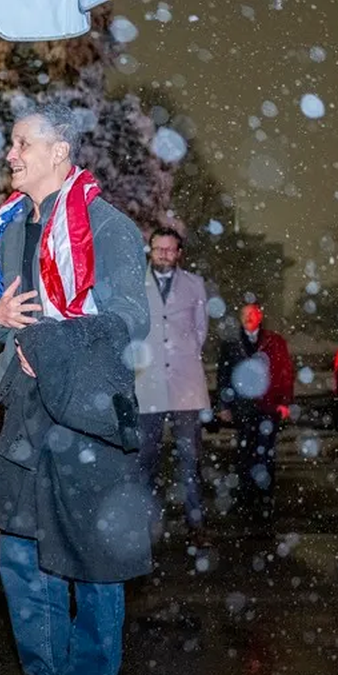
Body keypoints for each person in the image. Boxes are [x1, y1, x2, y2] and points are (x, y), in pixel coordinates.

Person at [0, 101, 153, 675]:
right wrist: (0, 319)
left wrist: (54, 345)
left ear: (59, 152)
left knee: (92, 554)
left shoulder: (108, 227)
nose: (10, 154)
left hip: (87, 414)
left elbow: (131, 321)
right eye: (12, 143)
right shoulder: (13, 226)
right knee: (22, 551)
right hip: (26, 407)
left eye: (22, 144)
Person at [133, 227, 211, 545]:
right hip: (147, 385)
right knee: (145, 460)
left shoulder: (194, 285)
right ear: (150, 250)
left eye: (170, 249)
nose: (164, 254)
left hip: (186, 385)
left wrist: (181, 355)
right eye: (159, 249)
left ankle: (196, 524)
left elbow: (200, 331)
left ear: (179, 253)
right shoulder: (135, 285)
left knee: (190, 460)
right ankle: (145, 525)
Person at [215, 303, 294, 524]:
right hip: (243, 407)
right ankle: (246, 497)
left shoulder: (274, 342)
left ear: (260, 316)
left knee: (265, 453)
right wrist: (224, 405)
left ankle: (264, 497)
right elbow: (224, 375)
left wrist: (284, 402)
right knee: (245, 453)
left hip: (268, 406)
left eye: (252, 313)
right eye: (244, 314)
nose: (248, 317)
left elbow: (285, 372)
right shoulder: (232, 344)